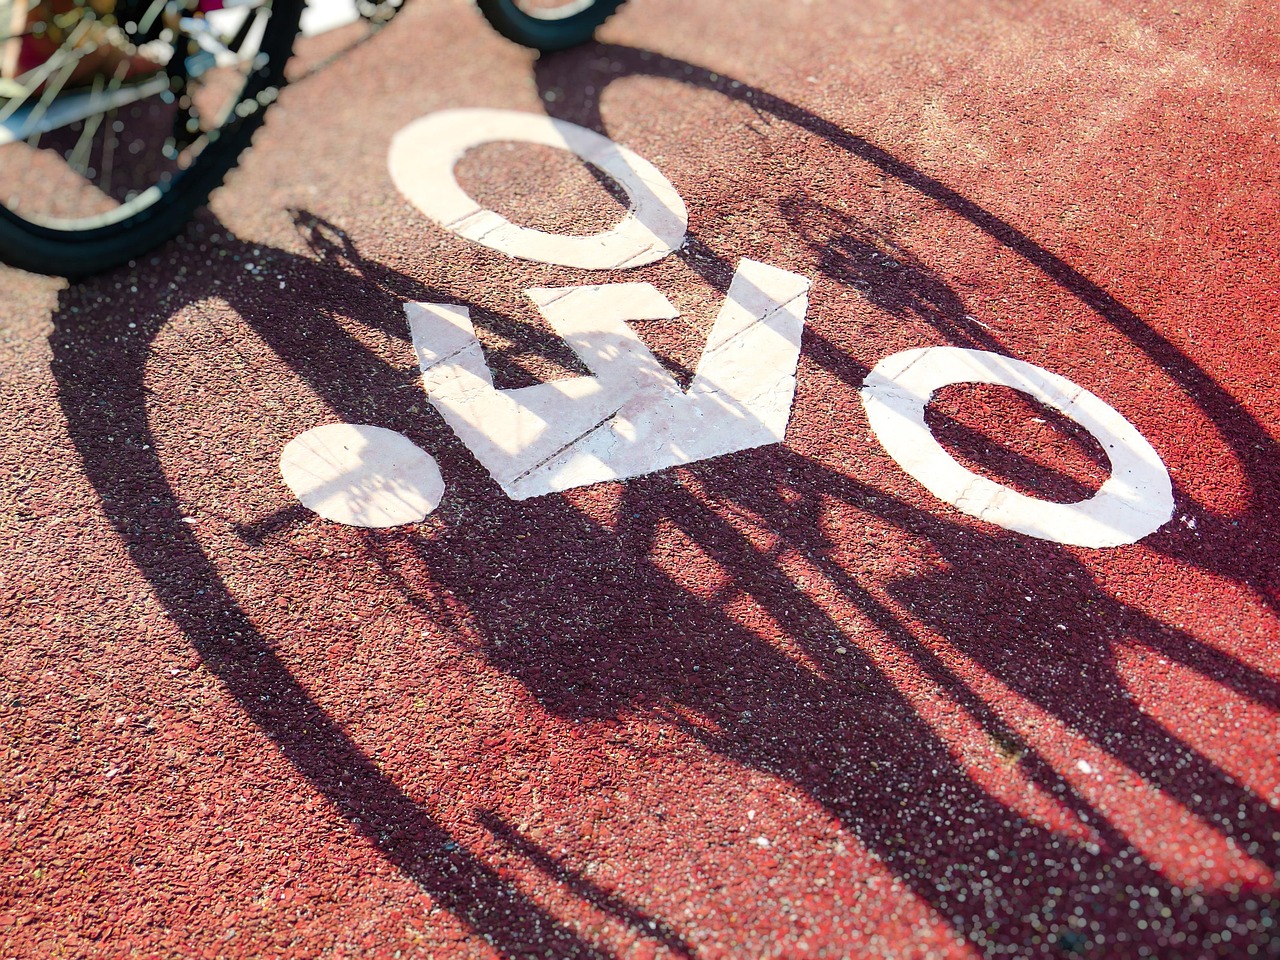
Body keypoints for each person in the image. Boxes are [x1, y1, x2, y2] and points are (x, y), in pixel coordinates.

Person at [0, 0, 161, 98]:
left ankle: (140, 60)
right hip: (33, 77)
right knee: (106, 50)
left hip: (21, 71)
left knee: (105, 45)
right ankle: (142, 62)